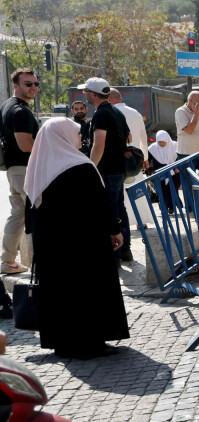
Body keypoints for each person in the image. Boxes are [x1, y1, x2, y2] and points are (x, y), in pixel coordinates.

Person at [24, 118, 128, 359]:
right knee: (87, 290)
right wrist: (114, 229)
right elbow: (101, 204)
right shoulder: (80, 166)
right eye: (78, 135)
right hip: (85, 244)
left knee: (60, 292)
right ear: (64, 136)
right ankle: (90, 342)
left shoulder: (39, 167)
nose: (81, 140)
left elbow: (31, 210)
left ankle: (63, 342)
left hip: (52, 248)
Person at [81, 77, 131, 266]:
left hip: (107, 171)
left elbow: (98, 144)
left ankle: (115, 256)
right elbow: (128, 136)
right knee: (119, 208)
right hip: (118, 169)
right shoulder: (116, 112)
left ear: (93, 94)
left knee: (110, 211)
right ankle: (125, 251)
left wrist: (91, 168)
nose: (84, 95)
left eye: (86, 92)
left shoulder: (101, 114)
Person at [0, 68, 38, 274]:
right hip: (25, 169)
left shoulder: (6, 106)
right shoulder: (20, 111)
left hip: (15, 169)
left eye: (36, 84)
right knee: (36, 216)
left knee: (18, 216)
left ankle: (7, 261)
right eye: (28, 84)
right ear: (16, 85)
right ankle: (38, 264)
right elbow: (25, 144)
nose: (33, 88)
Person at [108, 88, 153, 237]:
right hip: (135, 159)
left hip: (116, 158)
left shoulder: (109, 113)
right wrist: (145, 158)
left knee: (120, 192)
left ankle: (121, 223)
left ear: (110, 99)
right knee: (138, 189)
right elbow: (143, 136)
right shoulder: (135, 113)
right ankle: (142, 221)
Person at [148, 131, 182, 211]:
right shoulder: (152, 148)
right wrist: (148, 171)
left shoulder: (175, 146)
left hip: (174, 173)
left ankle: (171, 206)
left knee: (172, 189)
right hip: (159, 174)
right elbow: (148, 161)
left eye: (163, 141)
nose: (161, 143)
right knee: (162, 191)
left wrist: (178, 168)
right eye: (159, 141)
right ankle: (166, 207)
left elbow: (180, 157)